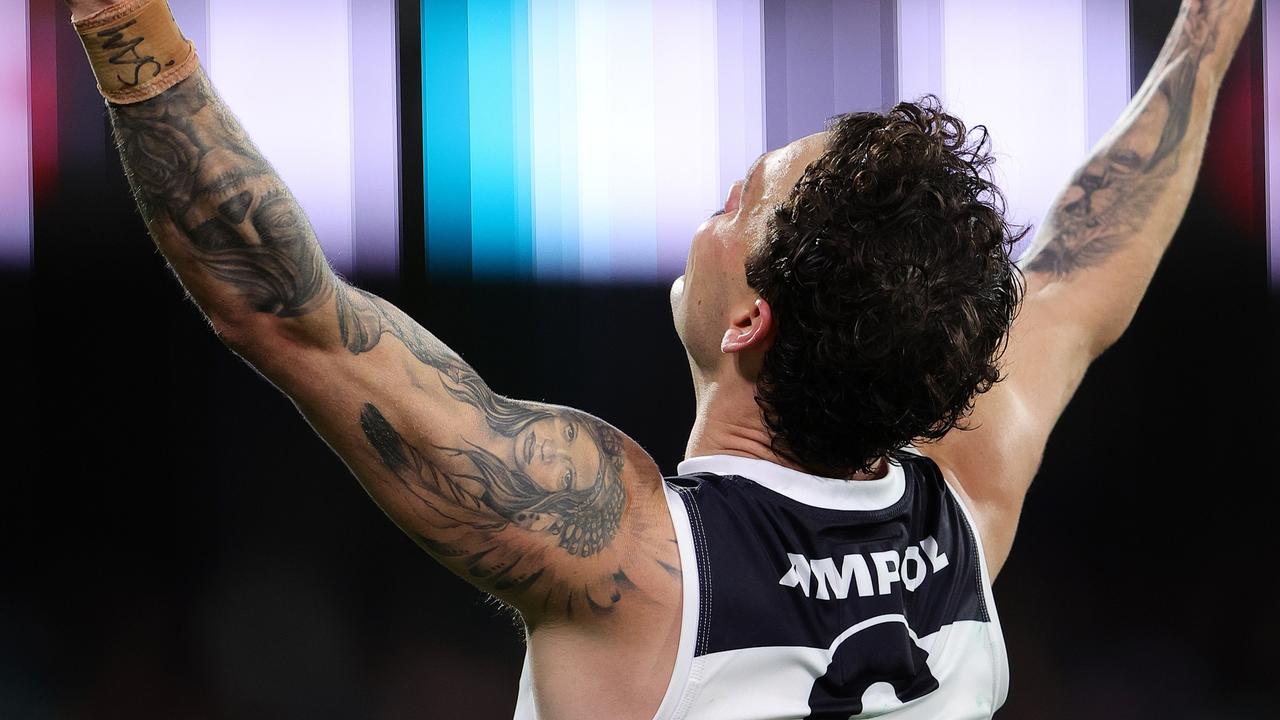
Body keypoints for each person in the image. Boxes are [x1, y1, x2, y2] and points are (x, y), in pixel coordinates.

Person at [65, 0, 1256, 717]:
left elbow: (283, 311)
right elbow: (1081, 263)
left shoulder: (631, 558)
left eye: (739, 198)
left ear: (748, 323)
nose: (710, 210)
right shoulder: (968, 507)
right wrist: (1210, 29)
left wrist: (127, 22)